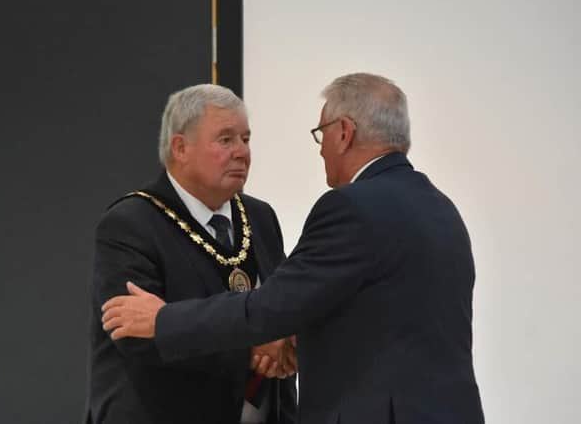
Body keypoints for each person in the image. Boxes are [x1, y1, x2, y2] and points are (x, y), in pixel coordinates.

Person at [101, 73, 485, 423]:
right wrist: (286, 341)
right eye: (226, 139)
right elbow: (373, 313)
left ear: (344, 132)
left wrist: (163, 320)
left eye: (321, 135)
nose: (321, 152)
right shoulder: (440, 207)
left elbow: (277, 305)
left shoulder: (351, 207)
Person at [86, 84, 297, 424]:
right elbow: (136, 336)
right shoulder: (129, 223)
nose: (243, 152)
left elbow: (285, 305)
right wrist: (252, 348)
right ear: (180, 148)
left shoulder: (261, 217)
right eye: (226, 140)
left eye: (246, 139)